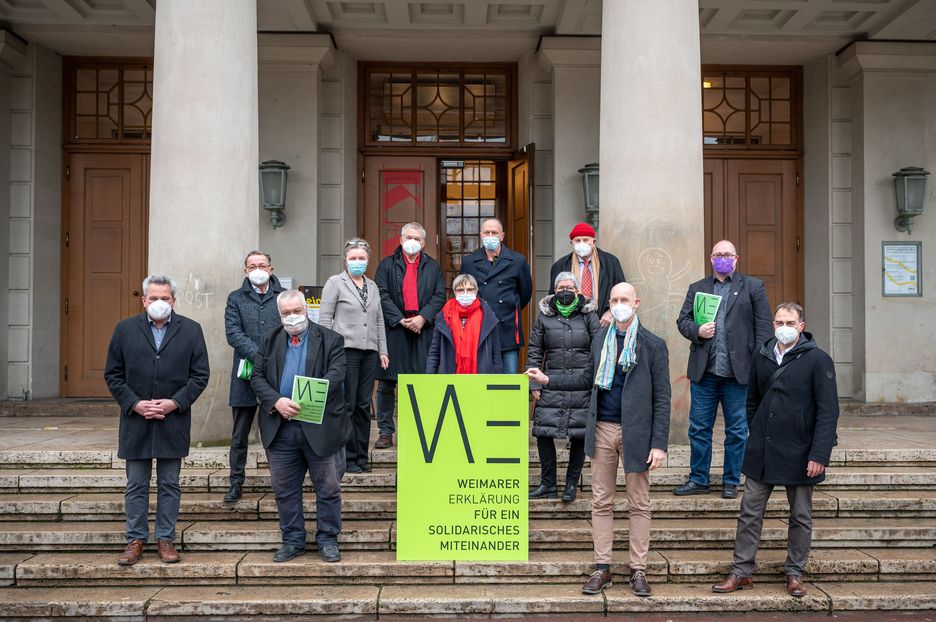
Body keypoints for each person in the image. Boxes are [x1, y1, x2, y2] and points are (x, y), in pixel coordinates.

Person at [529, 282, 670, 597]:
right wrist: (548, 379)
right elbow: (584, 378)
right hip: (603, 428)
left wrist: (659, 443)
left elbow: (662, 397)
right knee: (601, 502)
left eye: (624, 300)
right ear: (609, 303)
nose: (619, 305)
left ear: (636, 303)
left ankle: (638, 569)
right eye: (614, 300)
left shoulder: (653, 344)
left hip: (637, 433)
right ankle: (602, 567)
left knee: (639, 503)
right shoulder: (600, 339)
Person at [713, 302, 839, 598]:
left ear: (801, 327)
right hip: (764, 449)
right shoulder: (763, 355)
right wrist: (756, 431)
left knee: (800, 515)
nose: (784, 327)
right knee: (749, 512)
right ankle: (741, 571)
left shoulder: (818, 360)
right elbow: (753, 399)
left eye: (790, 323)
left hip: (801, 451)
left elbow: (828, 410)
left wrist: (819, 454)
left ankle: (795, 572)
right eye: (779, 322)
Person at [104, 275, 210, 566]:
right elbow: (113, 374)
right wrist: (135, 404)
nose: (159, 303)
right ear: (144, 300)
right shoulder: (125, 329)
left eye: (165, 298)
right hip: (135, 420)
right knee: (136, 484)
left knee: (170, 483)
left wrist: (175, 402)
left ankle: (165, 539)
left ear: (173, 300)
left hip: (173, 420)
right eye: (154, 298)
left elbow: (200, 375)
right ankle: (135, 540)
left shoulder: (191, 330)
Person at [250, 289, 349, 563]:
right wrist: (276, 401)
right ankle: (293, 540)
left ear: (306, 309)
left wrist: (308, 397)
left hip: (319, 427)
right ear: (279, 314)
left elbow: (337, 373)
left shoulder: (331, 339)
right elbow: (257, 377)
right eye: (286, 313)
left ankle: (328, 539)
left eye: (296, 311)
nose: (292, 317)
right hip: (281, 427)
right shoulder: (268, 340)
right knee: (284, 489)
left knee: (328, 488)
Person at [674, 239, 773, 499]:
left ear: (736, 259)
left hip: (738, 375)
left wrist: (758, 365)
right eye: (718, 254)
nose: (723, 258)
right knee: (699, 429)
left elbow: (764, 329)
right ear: (711, 258)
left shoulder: (753, 287)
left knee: (737, 431)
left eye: (728, 255)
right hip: (704, 373)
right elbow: (682, 321)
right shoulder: (698, 288)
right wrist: (697, 330)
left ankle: (731, 480)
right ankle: (698, 479)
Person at [526, 271, 601, 502]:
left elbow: (599, 347)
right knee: (543, 431)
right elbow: (535, 349)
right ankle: (547, 484)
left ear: (577, 291)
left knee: (579, 434)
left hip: (582, 383)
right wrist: (533, 382)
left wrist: (596, 381)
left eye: (569, 288)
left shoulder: (589, 315)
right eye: (561, 288)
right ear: (555, 290)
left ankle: (571, 485)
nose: (565, 291)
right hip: (550, 381)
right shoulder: (545, 316)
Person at [319, 238, 389, 474]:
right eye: (353, 258)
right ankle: (347, 458)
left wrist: (383, 350)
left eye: (361, 258)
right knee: (347, 404)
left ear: (368, 261)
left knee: (362, 405)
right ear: (345, 260)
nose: (357, 261)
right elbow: (325, 319)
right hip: (345, 350)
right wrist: (326, 350)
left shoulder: (373, 286)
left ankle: (361, 456)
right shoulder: (335, 283)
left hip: (369, 351)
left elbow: (379, 320)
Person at [373, 222, 446, 449]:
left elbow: (439, 296)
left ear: (423, 243)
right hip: (395, 329)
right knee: (387, 383)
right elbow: (381, 294)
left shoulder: (433, 267)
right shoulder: (386, 265)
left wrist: (423, 318)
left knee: (422, 382)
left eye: (417, 238)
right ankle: (385, 432)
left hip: (423, 330)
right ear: (401, 240)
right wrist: (399, 319)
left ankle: (418, 430)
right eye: (408, 237)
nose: (412, 242)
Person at [222, 250, 285, 503]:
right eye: (252, 266)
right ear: (245, 271)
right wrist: (260, 356)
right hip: (245, 375)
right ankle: (236, 482)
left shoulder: (283, 297)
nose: (257, 269)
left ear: (271, 269)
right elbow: (233, 333)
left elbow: (291, 328)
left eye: (262, 265)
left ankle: (281, 482)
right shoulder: (236, 298)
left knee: (277, 432)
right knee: (240, 434)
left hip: (276, 375)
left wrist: (273, 358)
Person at [459, 217, 533, 373]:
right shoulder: (469, 262)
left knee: (508, 378)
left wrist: (510, 306)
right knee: (480, 378)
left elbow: (525, 293)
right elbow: (462, 289)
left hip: (507, 329)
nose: (490, 236)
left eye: (494, 233)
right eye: (487, 233)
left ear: (502, 236)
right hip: (478, 328)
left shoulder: (518, 261)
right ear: (481, 235)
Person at [548, 222, 626, 327]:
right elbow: (553, 298)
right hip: (571, 324)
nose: (582, 243)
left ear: (593, 242)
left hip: (602, 322)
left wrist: (611, 312)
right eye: (577, 240)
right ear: (572, 243)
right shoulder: (560, 266)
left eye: (585, 240)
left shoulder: (611, 263)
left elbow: (621, 291)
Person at [426, 274, 503, 374]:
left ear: (476, 291)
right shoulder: (444, 316)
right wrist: (429, 376)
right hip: (450, 377)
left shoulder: (488, 316)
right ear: (455, 292)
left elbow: (496, 354)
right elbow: (434, 352)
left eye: (470, 289)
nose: (465, 293)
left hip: (481, 377)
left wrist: (498, 379)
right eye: (460, 290)